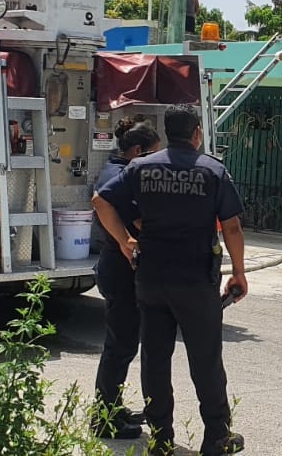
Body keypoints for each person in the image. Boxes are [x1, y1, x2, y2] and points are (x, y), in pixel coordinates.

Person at [92, 106, 247, 456]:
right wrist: (239, 272)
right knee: (205, 360)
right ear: (196, 133)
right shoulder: (213, 170)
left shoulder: (140, 167)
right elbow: (233, 226)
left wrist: (124, 240)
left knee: (155, 359)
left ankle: (161, 438)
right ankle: (216, 437)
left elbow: (101, 201)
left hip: (151, 279)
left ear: (168, 130)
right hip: (194, 280)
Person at [90, 118, 162, 440]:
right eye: (152, 154)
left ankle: (112, 407)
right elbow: (137, 221)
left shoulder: (119, 171)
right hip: (119, 270)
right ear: (137, 151)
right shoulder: (120, 176)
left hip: (119, 268)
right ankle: (104, 418)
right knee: (120, 346)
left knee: (124, 344)